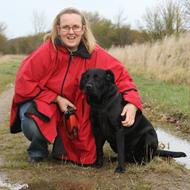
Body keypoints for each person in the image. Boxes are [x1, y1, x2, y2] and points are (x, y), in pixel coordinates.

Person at [10, 7, 142, 164]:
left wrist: (132, 103)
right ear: (58, 29)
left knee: (87, 155)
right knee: (31, 122)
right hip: (47, 104)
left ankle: (61, 144)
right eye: (66, 27)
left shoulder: (96, 53)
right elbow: (23, 83)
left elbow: (122, 78)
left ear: (83, 29)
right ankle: (38, 149)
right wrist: (56, 98)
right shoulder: (46, 51)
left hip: (76, 110)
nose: (71, 32)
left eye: (75, 27)